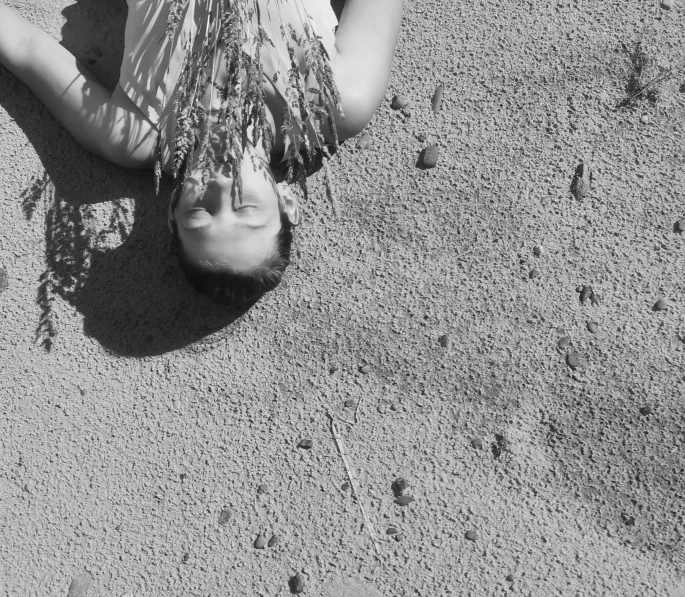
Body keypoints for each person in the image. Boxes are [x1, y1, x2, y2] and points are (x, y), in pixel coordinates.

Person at [0, 0, 403, 304]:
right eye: (246, 210)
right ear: (286, 201)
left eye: (199, 212)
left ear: (172, 211)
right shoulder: (334, 105)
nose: (221, 186)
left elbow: (22, 46)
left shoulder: (135, 132)